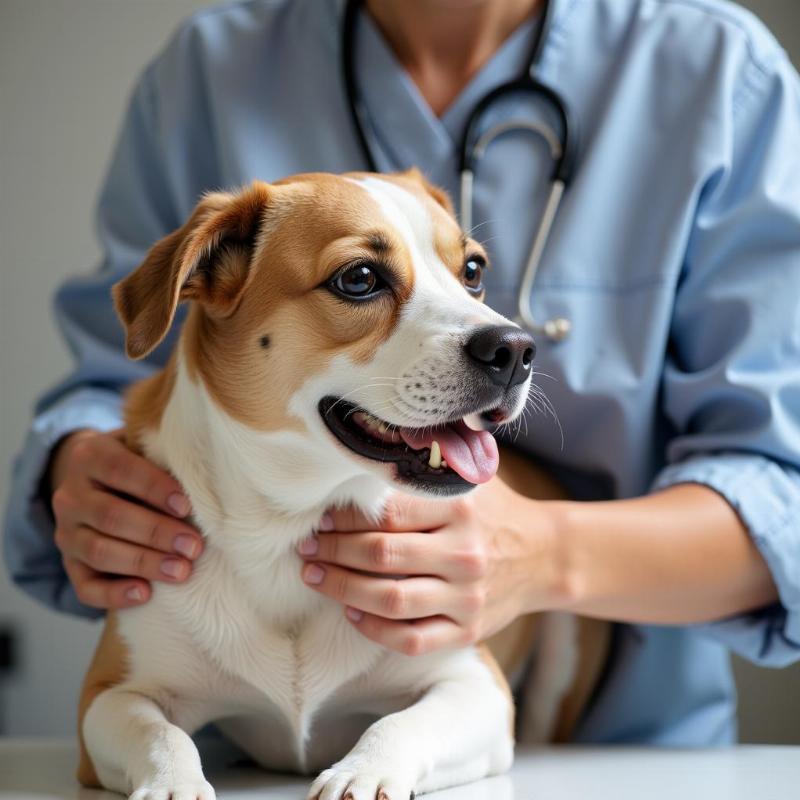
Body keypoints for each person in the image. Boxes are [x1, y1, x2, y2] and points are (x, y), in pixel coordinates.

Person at [4, 0, 800, 746]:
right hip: (233, 744)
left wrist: (546, 554)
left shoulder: (721, 70)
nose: (505, 342)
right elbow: (117, 370)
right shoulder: (209, 68)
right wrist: (80, 469)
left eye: (472, 272)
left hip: (637, 757)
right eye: (358, 280)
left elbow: (785, 492)